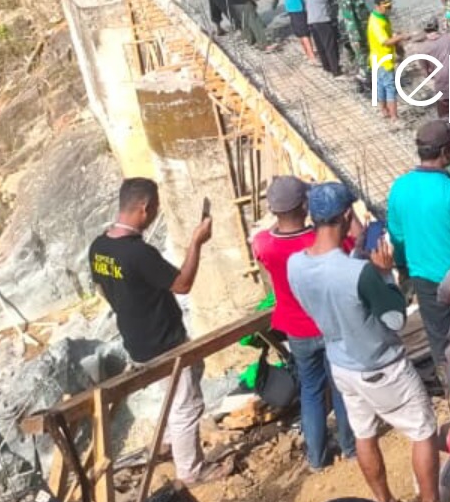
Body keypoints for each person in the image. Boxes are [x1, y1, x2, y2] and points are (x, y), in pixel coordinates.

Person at [288, 182, 441, 502]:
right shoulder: (360, 274)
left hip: (341, 364)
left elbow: (332, 288)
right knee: (422, 431)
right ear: (346, 216)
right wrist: (385, 274)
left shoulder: (295, 265)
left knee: (365, 435)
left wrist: (358, 254)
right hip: (382, 366)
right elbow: (396, 318)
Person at [88, 179, 231, 485]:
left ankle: (167, 442)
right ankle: (192, 471)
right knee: (186, 404)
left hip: (136, 341)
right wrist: (196, 243)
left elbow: (101, 287)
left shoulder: (99, 246)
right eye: (154, 208)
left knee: (175, 388)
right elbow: (182, 284)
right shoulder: (138, 253)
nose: (155, 213)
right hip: (163, 343)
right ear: (144, 207)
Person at [249, 176, 356, 471]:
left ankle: (317, 458)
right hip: (329, 324)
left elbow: (264, 243)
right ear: (305, 205)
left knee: (310, 391)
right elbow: (357, 239)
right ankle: (350, 447)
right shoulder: (317, 240)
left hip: (295, 329)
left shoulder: (264, 244)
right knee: (340, 387)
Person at [387, 121, 450, 388]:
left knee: (440, 339)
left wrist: (403, 269)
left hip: (423, 277)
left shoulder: (400, 187)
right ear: (445, 152)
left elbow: (396, 236)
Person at [367, 0, 410, 119]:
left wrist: (396, 37)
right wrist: (401, 37)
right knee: (390, 88)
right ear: (377, 6)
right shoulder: (376, 22)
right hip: (383, 60)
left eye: (390, 6)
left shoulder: (381, 17)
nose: (389, 9)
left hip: (377, 59)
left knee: (380, 86)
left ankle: (384, 111)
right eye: (386, 6)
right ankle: (394, 116)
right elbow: (385, 41)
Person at [304, 0, 342, 77]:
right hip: (324, 18)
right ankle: (335, 70)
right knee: (330, 45)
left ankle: (326, 67)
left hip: (311, 19)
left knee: (320, 45)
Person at [338, 0, 371, 89]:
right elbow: (350, 18)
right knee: (361, 56)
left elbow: (364, 10)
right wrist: (355, 37)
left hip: (365, 28)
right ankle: (362, 80)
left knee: (368, 54)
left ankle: (367, 77)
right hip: (356, 31)